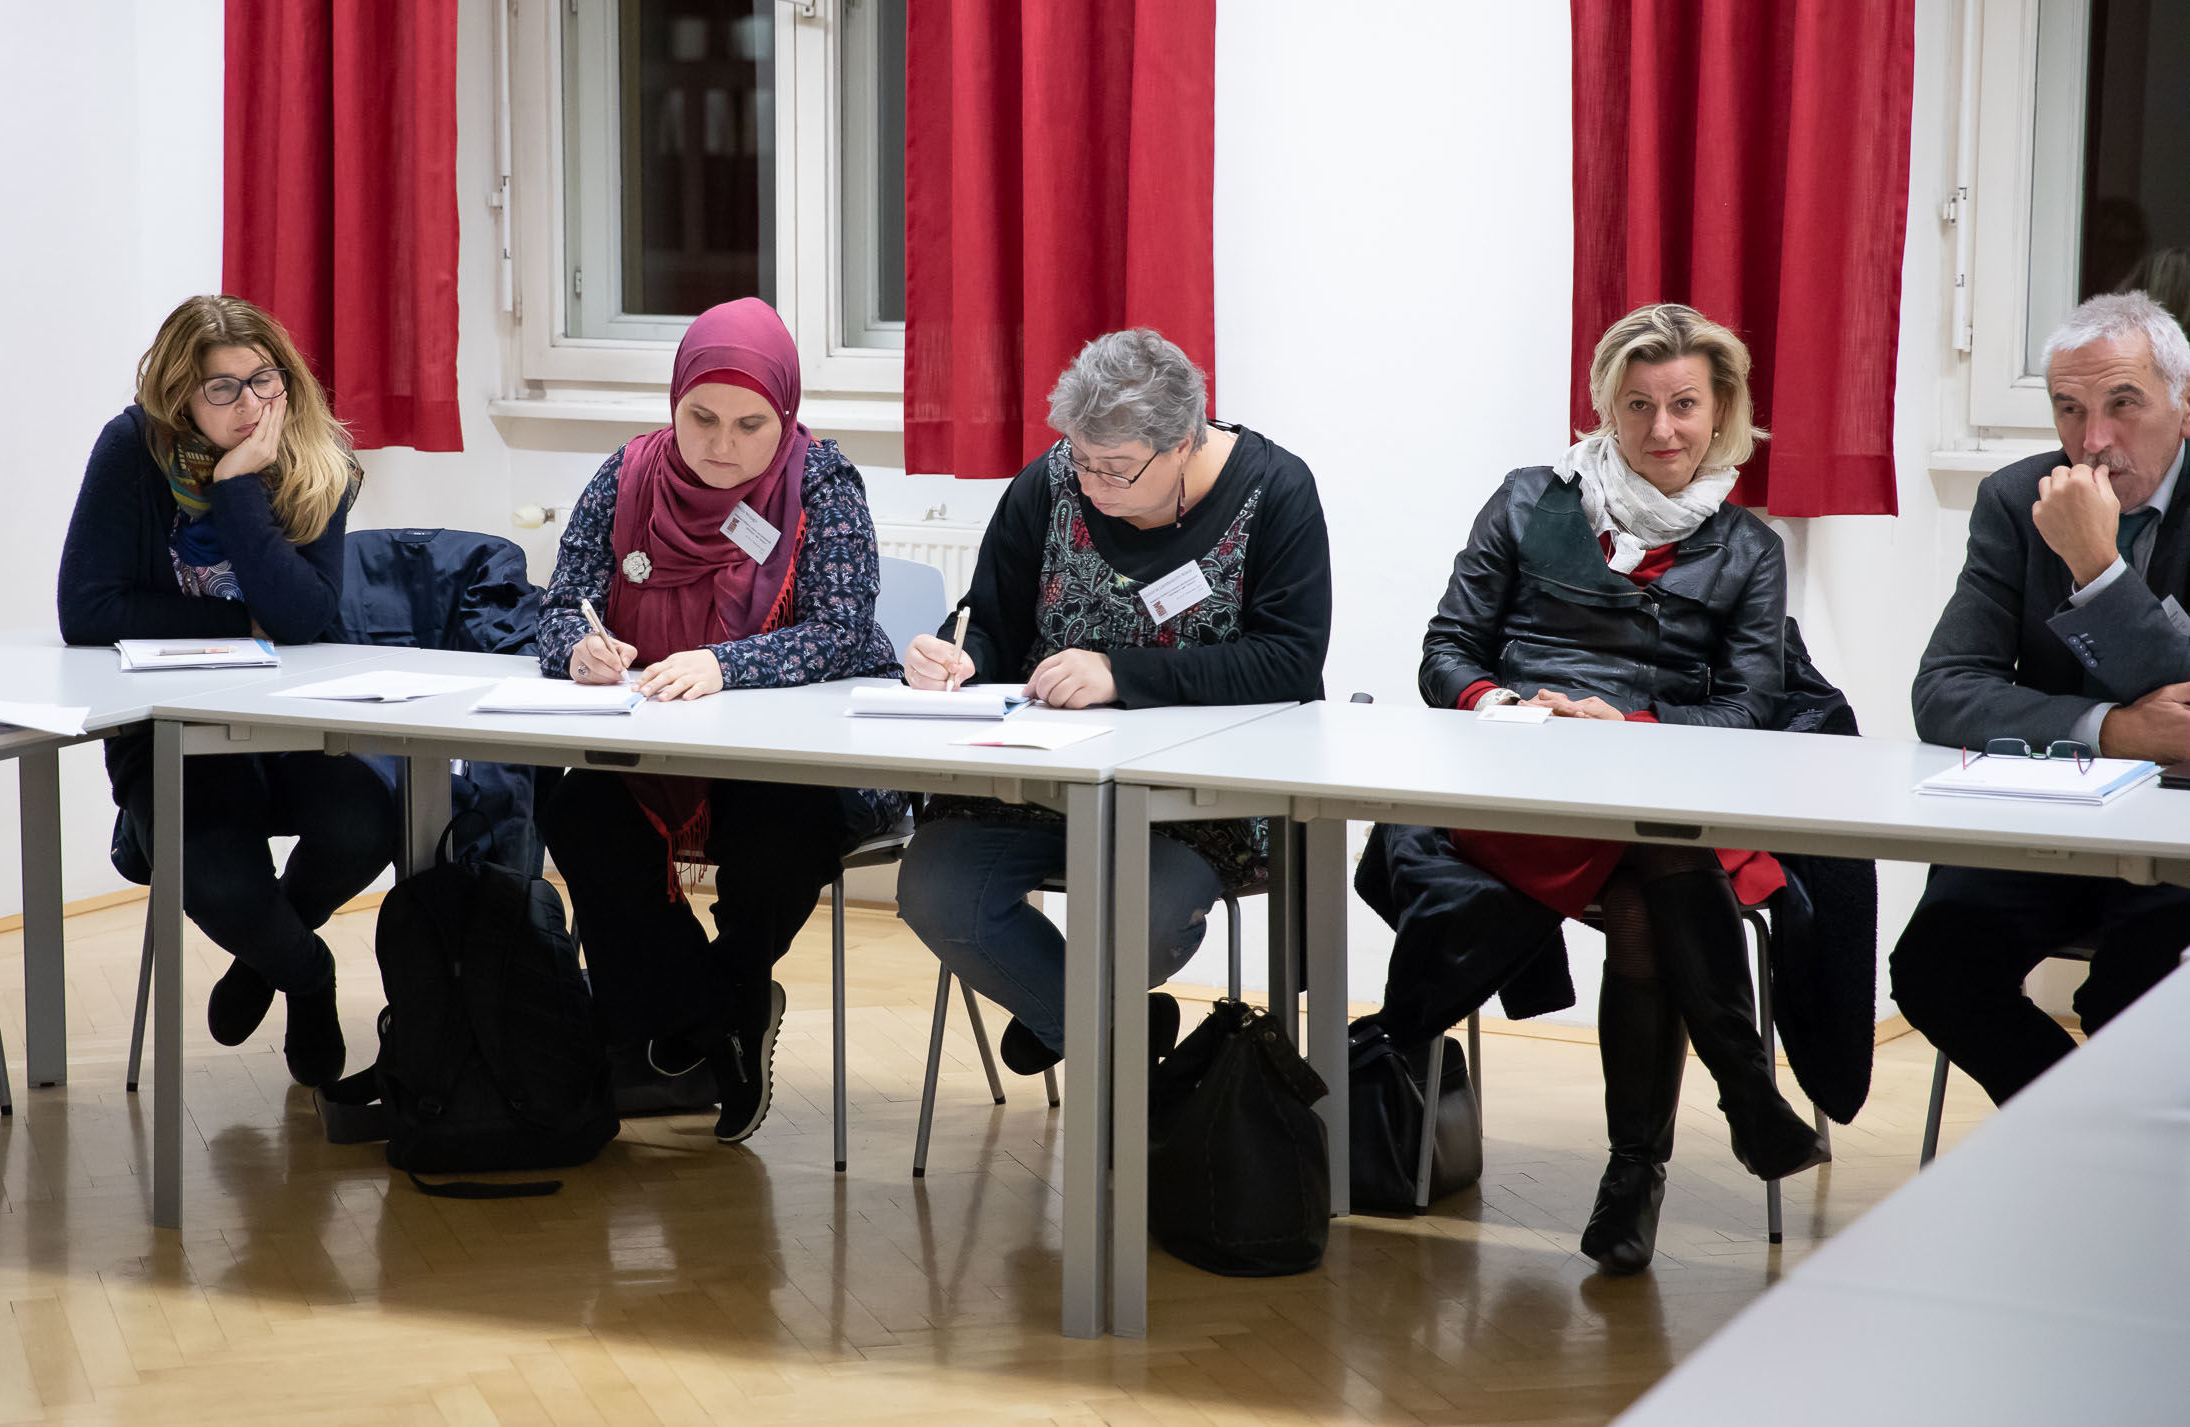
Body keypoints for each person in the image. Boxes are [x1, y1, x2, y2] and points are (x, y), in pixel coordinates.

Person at [1375, 303, 1826, 1277]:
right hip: (1525, 788)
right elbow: (1446, 652)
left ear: (1721, 410)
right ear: (1605, 408)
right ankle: (1739, 1098)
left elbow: (1750, 707)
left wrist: (1631, 732)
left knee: (1647, 876)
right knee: (1663, 853)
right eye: (1638, 405)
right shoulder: (1528, 499)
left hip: (1656, 783)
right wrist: (1507, 707)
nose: (1662, 428)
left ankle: (1638, 1171)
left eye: (1684, 404)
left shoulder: (1748, 548)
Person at [893, 329, 1331, 1074]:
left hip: (1194, 800)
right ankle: (1116, 1038)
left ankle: (1072, 1023)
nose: (1093, 486)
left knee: (1146, 920)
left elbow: (1288, 662)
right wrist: (959, 657)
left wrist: (1120, 675)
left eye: (1117, 469)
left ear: (1183, 442)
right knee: (938, 890)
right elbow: (991, 619)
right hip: (1038, 782)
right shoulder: (1049, 483)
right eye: (1082, 460)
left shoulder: (1275, 490)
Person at [533, 298, 900, 1145]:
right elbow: (558, 607)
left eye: (749, 424)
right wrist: (579, 649)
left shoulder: (822, 482)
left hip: (792, 759)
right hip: (653, 746)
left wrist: (725, 664)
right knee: (577, 807)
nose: (721, 445)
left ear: (787, 415)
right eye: (701, 417)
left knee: (782, 821)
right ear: (675, 401)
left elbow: (843, 631)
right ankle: (724, 1016)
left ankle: (695, 1018)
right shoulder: (628, 474)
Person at [58, 294, 392, 1087]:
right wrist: (244, 619)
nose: (252, 405)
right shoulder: (133, 451)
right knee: (214, 880)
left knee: (367, 821)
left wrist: (238, 487)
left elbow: (305, 618)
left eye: (264, 379)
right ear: (181, 396)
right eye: (224, 388)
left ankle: (262, 958)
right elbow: (87, 609)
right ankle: (305, 971)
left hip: (293, 725)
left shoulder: (314, 455)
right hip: (171, 734)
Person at [1894, 290, 2190, 1107]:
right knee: (1934, 968)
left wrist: (2098, 568)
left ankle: (2120, 1160)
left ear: (2184, 404)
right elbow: (1947, 689)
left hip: (2181, 838)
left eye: (2123, 404)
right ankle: (2076, 1134)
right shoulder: (2017, 499)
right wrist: (2114, 730)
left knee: (2133, 997)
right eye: (2069, 408)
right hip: (2051, 819)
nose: (2093, 440)